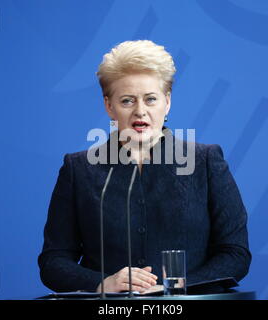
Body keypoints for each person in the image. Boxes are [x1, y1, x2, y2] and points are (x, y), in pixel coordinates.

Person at [38, 40, 251, 293]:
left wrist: (178, 286)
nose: (140, 111)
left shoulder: (205, 161)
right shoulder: (78, 169)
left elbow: (235, 253)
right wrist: (102, 283)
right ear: (109, 106)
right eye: (127, 101)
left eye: (151, 99)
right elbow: (54, 261)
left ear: (167, 102)